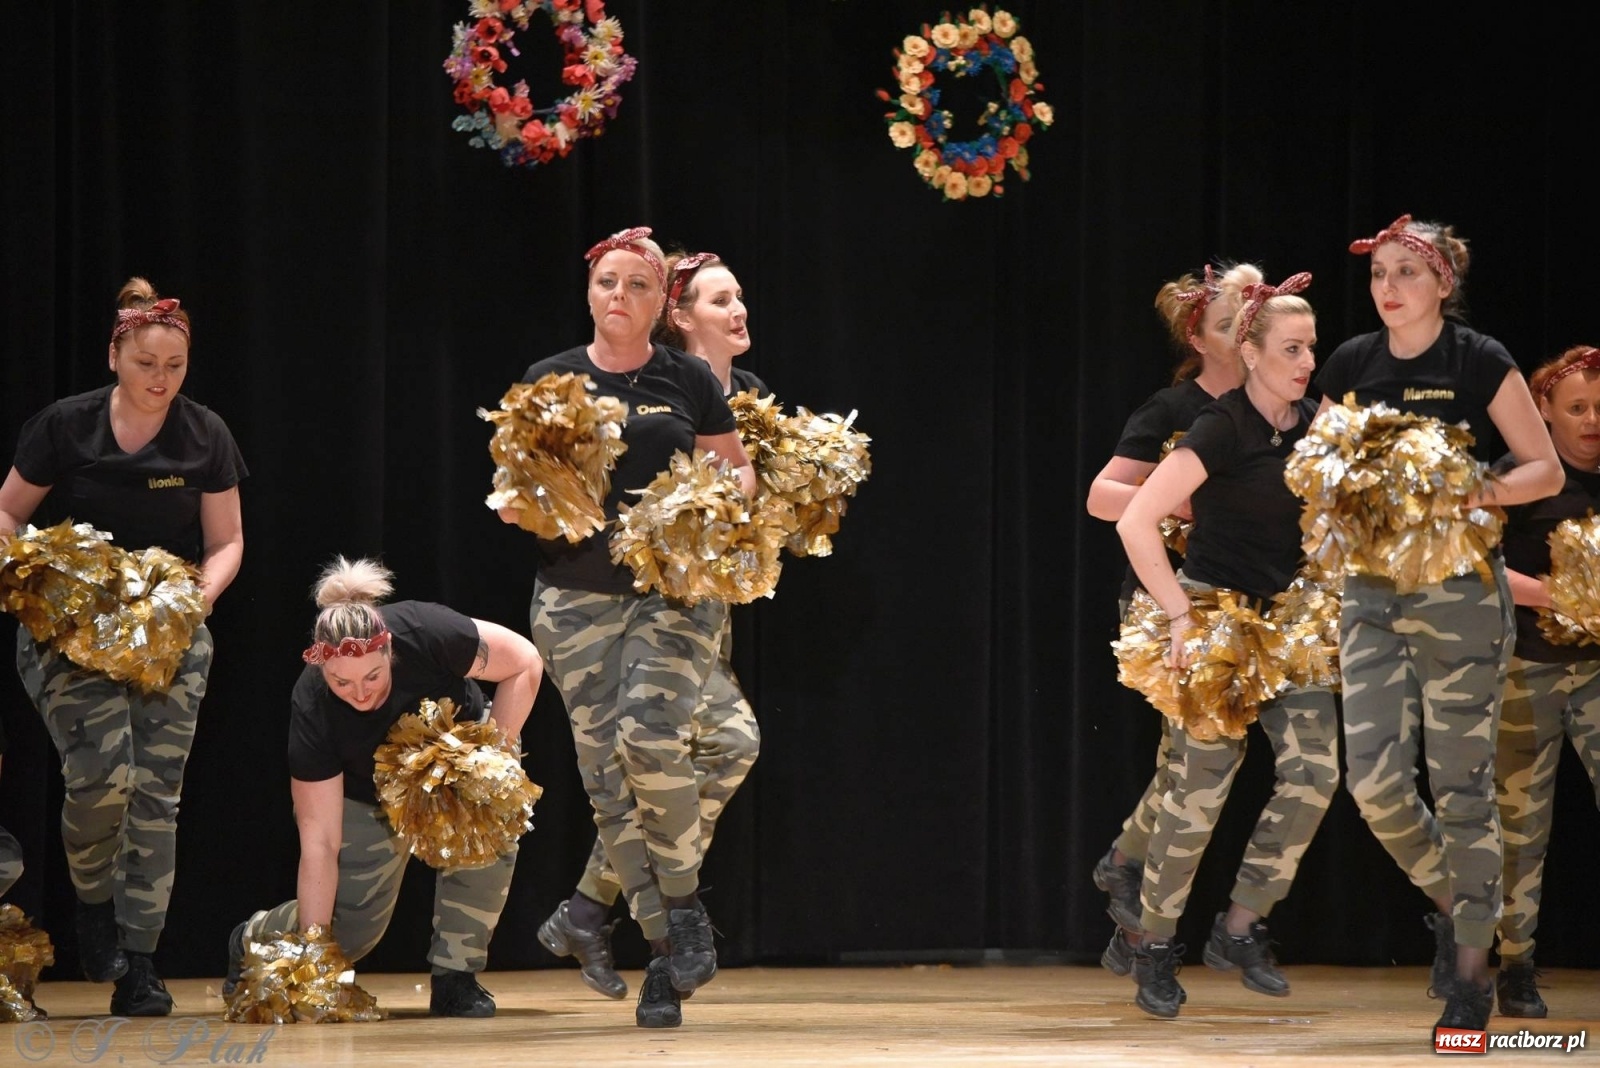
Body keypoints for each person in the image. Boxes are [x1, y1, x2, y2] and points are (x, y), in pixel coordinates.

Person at [1314, 215, 1562, 1032]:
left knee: (1462, 788)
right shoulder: (1352, 360)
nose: (1388, 289)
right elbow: (1318, 468)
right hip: (1372, 592)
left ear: (1443, 283)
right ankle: (1465, 908)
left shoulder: (1477, 358)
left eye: (1406, 274)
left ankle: (1468, 976)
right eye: (1379, 274)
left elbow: (1543, 468)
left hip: (1458, 593)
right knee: (1375, 782)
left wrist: (1468, 492)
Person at [510, 227, 756, 1029]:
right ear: (590, 291)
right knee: (611, 785)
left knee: (654, 740)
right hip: (575, 602)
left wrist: (718, 505)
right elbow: (511, 493)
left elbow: (737, 471)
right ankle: (661, 952)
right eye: (607, 282)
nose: (620, 296)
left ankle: (671, 913)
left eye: (637, 286)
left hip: (675, 593)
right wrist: (529, 504)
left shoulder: (685, 378)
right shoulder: (550, 378)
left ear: (662, 304)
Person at [0, 277, 246, 1016]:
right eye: (146, 364)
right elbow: (7, 514)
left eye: (175, 365)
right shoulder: (65, 427)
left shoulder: (205, 434)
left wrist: (190, 604)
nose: (160, 379)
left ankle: (139, 960)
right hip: (71, 635)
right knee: (104, 776)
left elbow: (227, 541)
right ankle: (93, 904)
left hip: (166, 635)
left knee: (156, 796)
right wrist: (34, 580)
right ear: (116, 355)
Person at [1113, 274, 1338, 1019]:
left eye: (1312, 346)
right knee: (1199, 790)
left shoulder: (1317, 420)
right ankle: (1151, 941)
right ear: (1251, 350)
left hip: (1287, 620)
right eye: (1292, 348)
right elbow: (1135, 519)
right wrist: (1178, 616)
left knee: (1314, 770)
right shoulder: (1222, 425)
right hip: (1214, 615)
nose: (1307, 360)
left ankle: (1239, 925)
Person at [222, 556, 543, 1018]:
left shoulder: (429, 631)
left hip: (452, 757)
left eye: (373, 676)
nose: (360, 692)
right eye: (342, 682)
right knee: (349, 935)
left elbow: (525, 663)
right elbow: (320, 843)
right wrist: (317, 960)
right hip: (364, 793)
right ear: (321, 668)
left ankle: (456, 978)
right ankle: (252, 935)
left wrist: (493, 757)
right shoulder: (312, 707)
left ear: (389, 648)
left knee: (486, 828)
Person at [1084, 264, 1253, 951]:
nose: (1243, 337)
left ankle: (1127, 874)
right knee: (1200, 756)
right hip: (1166, 598)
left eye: (1250, 323)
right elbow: (1101, 497)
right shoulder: (1171, 410)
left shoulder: (1273, 408)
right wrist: (1176, 500)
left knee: (1194, 759)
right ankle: (1141, 918)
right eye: (1227, 326)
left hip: (1243, 603)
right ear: (1198, 337)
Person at [1490, 345, 1600, 1018]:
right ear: (1546, 414)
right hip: (1525, 670)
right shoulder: (1522, 477)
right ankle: (1514, 964)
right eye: (1578, 408)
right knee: (1519, 825)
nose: (1592, 421)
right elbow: (1475, 565)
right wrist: (1559, 596)